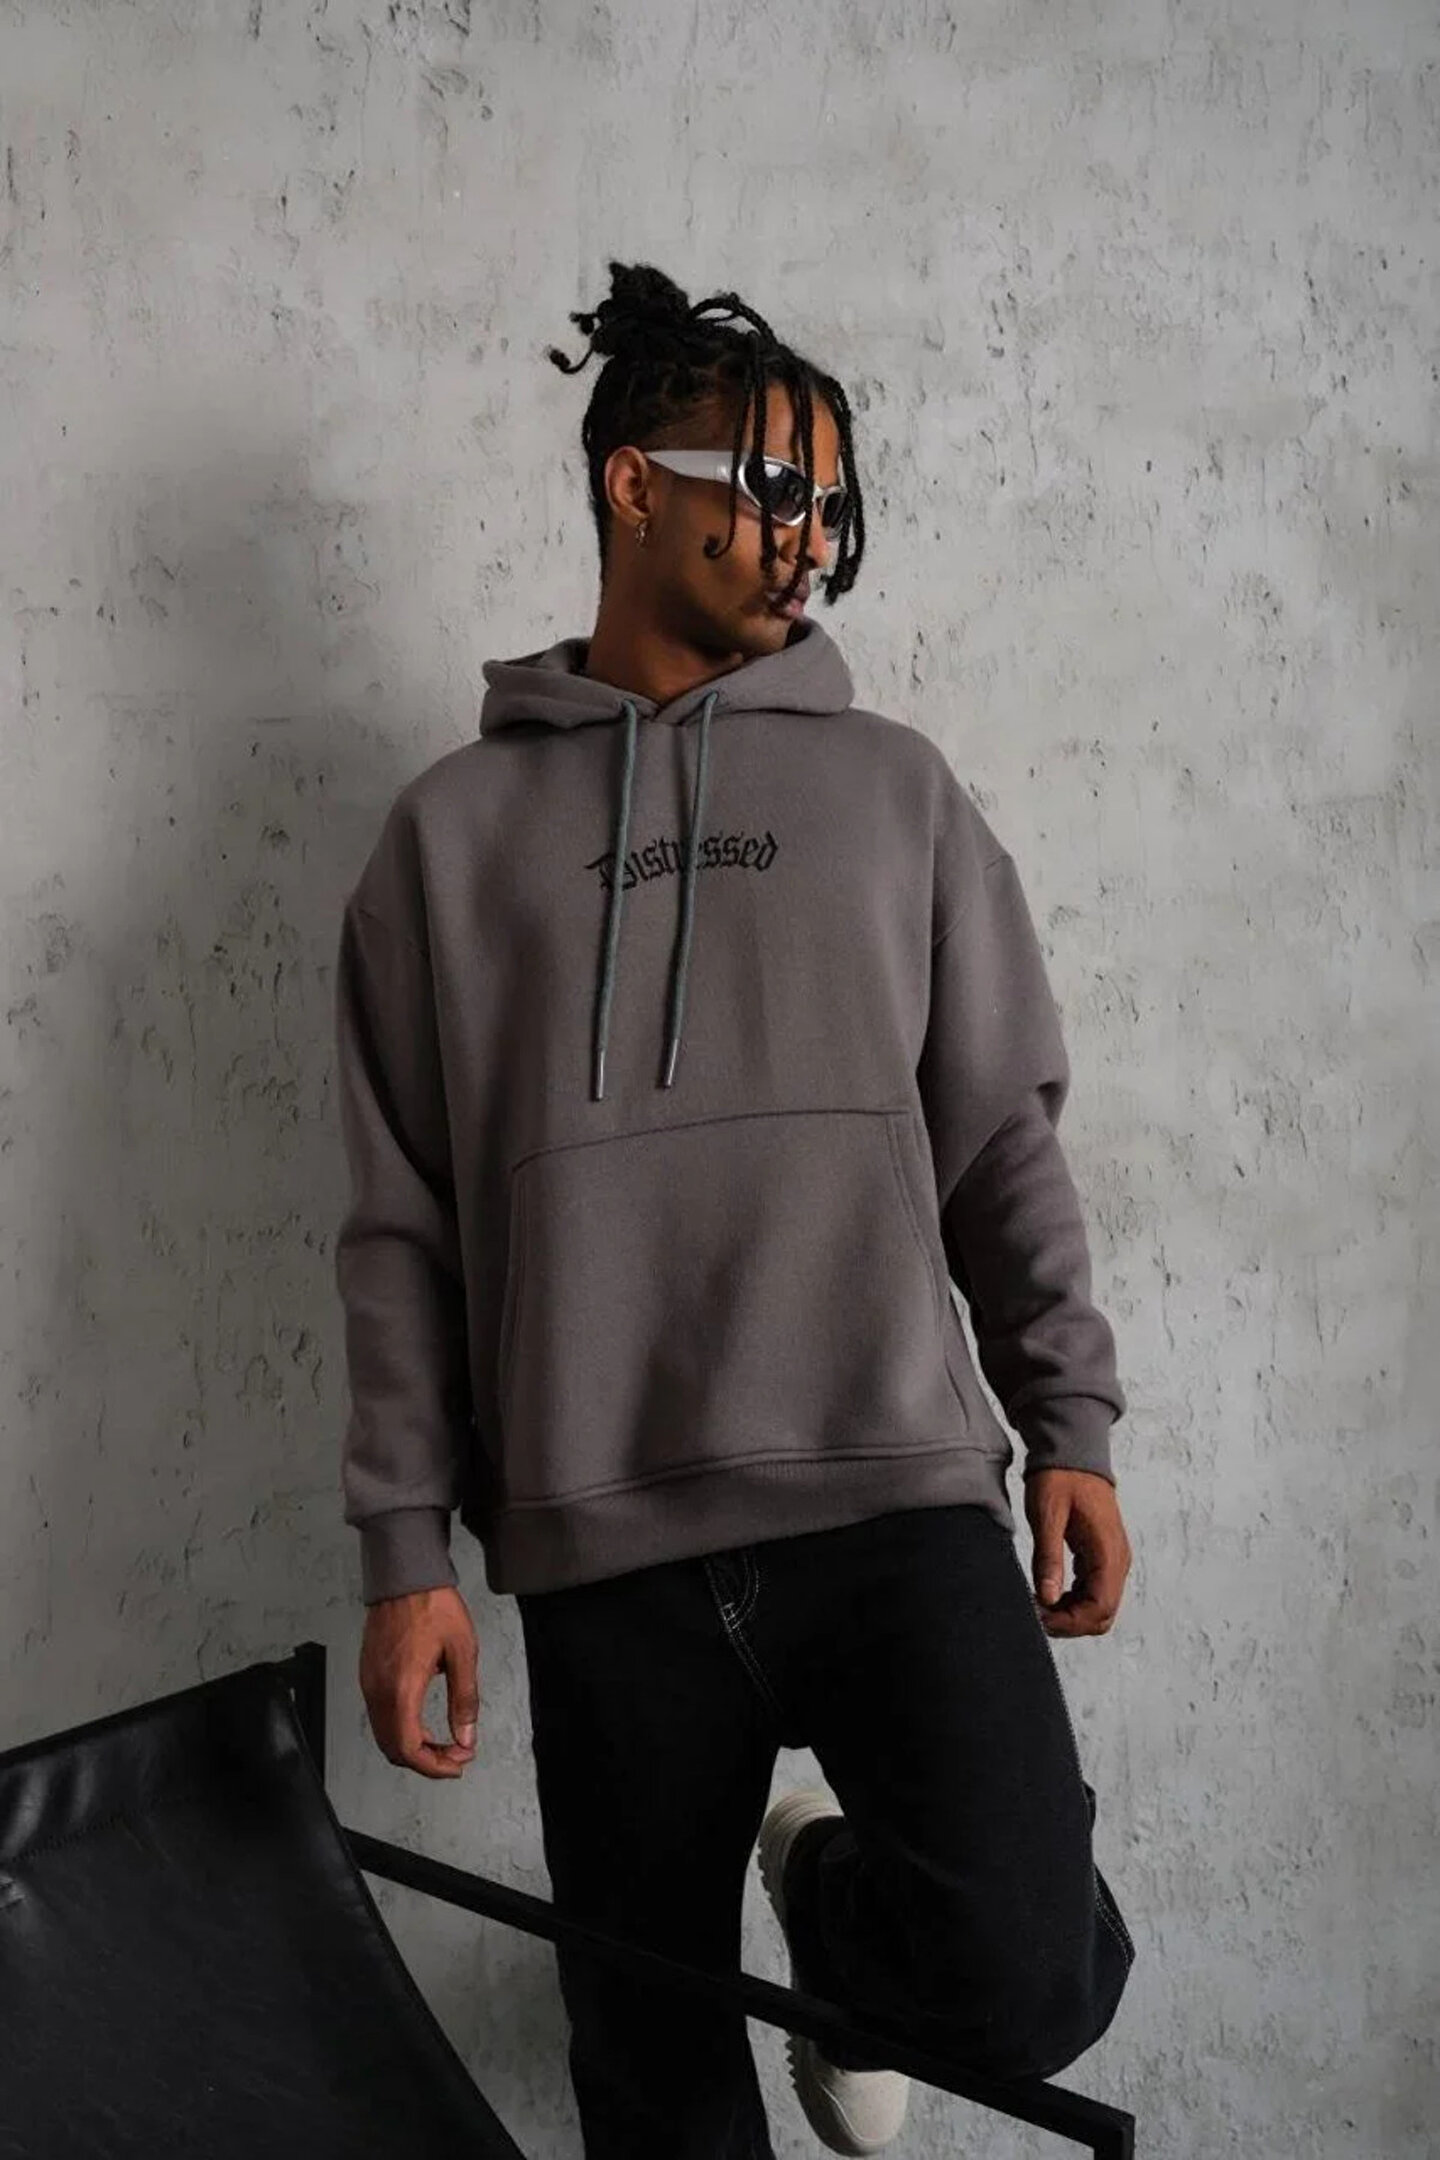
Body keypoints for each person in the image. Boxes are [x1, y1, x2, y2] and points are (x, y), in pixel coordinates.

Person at [332, 259, 1137, 2159]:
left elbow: (1000, 1141)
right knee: (659, 2096)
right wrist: (402, 1550)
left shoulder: (897, 795)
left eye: (833, 504)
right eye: (775, 489)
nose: (812, 540)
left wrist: (1070, 1422)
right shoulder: (445, 842)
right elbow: (399, 1230)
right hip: (602, 1549)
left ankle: (831, 1900)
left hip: (893, 1496)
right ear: (635, 486)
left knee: (1034, 1974)